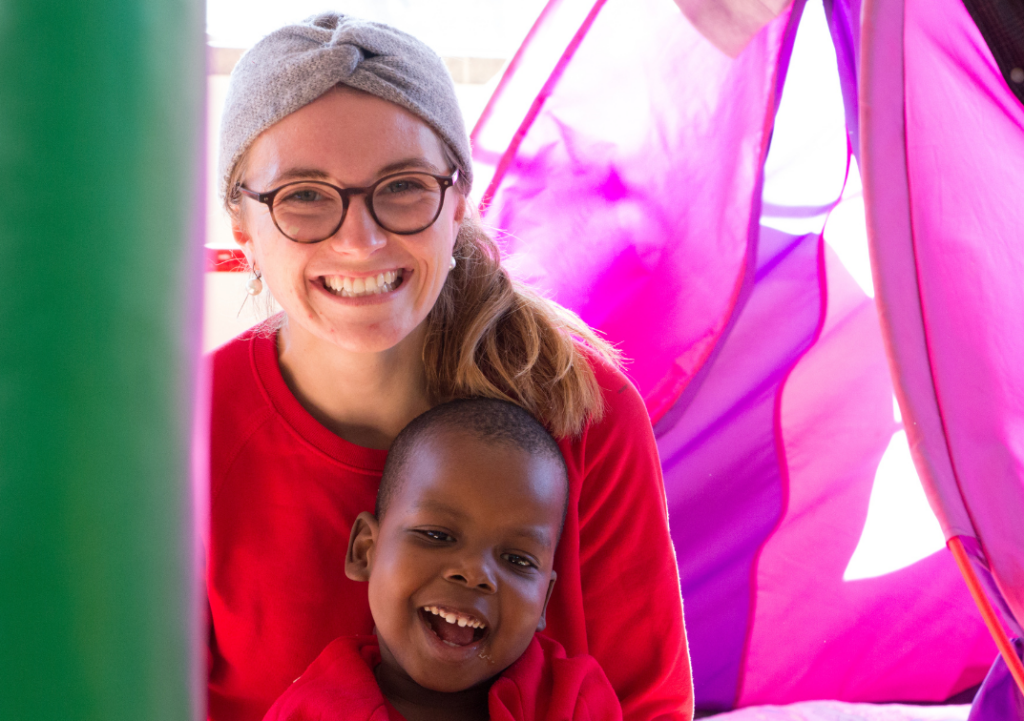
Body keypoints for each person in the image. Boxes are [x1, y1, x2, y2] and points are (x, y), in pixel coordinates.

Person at [208, 12, 693, 721]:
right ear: (243, 229)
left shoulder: (582, 408)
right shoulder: (184, 433)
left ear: (458, 201)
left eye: (403, 186)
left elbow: (647, 702)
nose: (360, 238)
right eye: (304, 196)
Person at [262, 398, 623, 721]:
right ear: (365, 550)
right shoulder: (311, 711)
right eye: (437, 536)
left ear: (543, 600)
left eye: (517, 559)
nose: (475, 573)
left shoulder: (571, 701)